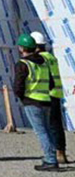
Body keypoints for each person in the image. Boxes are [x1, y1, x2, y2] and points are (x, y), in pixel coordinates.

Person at [15, 34, 60, 171]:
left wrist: (22, 97)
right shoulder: (44, 62)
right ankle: (53, 157)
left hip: (32, 102)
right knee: (47, 130)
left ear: (22, 48)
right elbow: (51, 83)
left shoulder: (23, 64)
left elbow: (18, 85)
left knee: (41, 132)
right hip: (46, 100)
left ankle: (50, 159)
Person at [32, 31, 68, 164]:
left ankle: (54, 154)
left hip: (47, 94)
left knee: (49, 126)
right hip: (57, 93)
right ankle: (61, 152)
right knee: (57, 125)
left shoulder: (41, 58)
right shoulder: (51, 57)